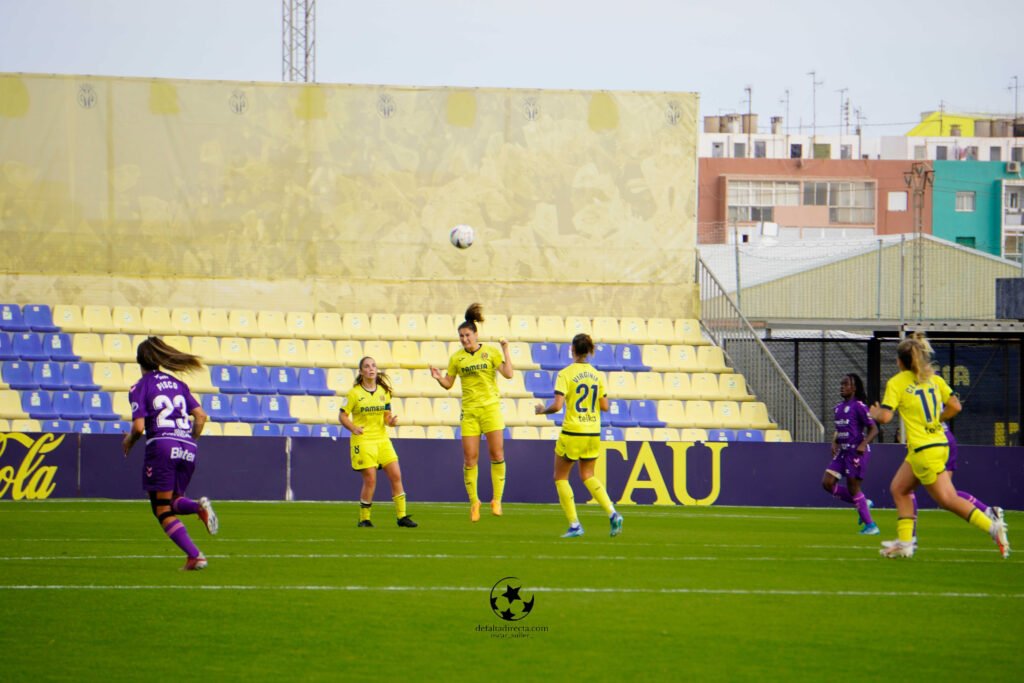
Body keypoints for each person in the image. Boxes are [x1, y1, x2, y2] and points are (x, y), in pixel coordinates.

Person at [869, 333, 1009, 559]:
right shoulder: (934, 379)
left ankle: (993, 528)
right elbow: (955, 406)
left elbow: (885, 417)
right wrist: (937, 419)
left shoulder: (897, 382)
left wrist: (875, 412)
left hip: (924, 450)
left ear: (900, 361)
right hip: (938, 444)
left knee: (947, 499)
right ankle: (905, 543)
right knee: (899, 488)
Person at [122, 337, 218, 571]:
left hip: (162, 446)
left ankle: (195, 555)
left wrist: (128, 442)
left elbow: (138, 427)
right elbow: (201, 416)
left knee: (161, 509)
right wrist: (189, 440)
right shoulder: (178, 384)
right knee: (172, 501)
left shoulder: (139, 387)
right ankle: (197, 508)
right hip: (187, 446)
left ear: (139, 361)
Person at [429, 303, 513, 522]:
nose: (465, 339)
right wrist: (439, 378)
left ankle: (497, 500)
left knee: (497, 454)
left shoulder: (490, 352)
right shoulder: (457, 358)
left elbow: (508, 374)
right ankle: (474, 502)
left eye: (467, 335)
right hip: (469, 412)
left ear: (476, 334)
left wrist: (505, 349)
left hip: (490, 409)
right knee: (470, 458)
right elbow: (449, 384)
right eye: (461, 336)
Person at [535, 333, 623, 538]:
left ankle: (575, 524)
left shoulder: (565, 374)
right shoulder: (597, 375)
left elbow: (557, 406)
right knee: (588, 475)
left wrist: (542, 411)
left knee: (560, 477)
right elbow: (605, 406)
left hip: (573, 431)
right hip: (593, 431)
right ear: (590, 351)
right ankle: (612, 513)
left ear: (572, 350)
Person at [339, 356, 417, 528]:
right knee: (370, 480)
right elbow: (342, 416)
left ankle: (402, 516)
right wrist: (353, 428)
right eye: (367, 366)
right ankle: (364, 519)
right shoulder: (354, 394)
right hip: (364, 440)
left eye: (373, 365)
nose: (371, 369)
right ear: (361, 371)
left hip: (382, 439)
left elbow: (386, 416)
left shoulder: (383, 392)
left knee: (396, 475)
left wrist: (391, 422)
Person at [908, 422, 1004, 542]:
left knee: (905, 489)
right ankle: (988, 511)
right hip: (944, 437)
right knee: (947, 496)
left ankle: (909, 538)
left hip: (930, 441)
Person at [821, 373, 879, 535]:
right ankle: (863, 503)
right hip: (843, 451)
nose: (842, 387)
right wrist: (835, 442)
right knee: (827, 483)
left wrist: (863, 444)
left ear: (854, 388)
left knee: (853, 488)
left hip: (856, 452)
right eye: (841, 384)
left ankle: (871, 526)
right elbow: (841, 429)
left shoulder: (859, 406)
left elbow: (874, 429)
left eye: (846, 384)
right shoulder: (838, 408)